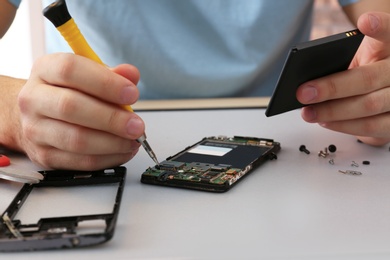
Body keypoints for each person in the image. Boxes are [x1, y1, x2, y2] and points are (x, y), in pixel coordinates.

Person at [0, 0, 390, 170]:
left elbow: (381, 31)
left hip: (283, 129)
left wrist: (376, 83)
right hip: (82, 133)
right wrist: (15, 114)